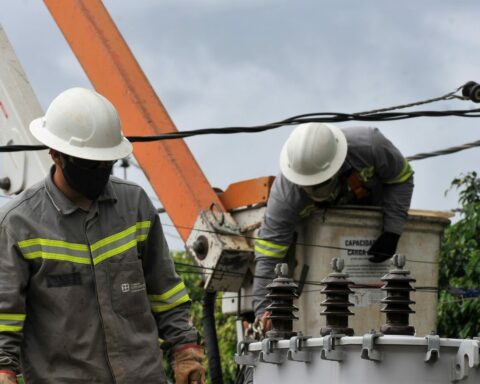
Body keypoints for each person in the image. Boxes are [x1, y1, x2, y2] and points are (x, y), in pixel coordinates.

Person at [0, 88, 205, 383]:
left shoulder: (134, 206)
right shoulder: (18, 225)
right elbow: (4, 318)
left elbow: (166, 293)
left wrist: (185, 350)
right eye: (88, 163)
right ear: (55, 154)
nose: (98, 171)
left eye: (104, 163)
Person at [252, 122, 414, 321]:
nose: (314, 191)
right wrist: (262, 314)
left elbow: (402, 177)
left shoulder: (370, 146)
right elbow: (269, 255)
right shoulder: (286, 195)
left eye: (320, 183)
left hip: (375, 230)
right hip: (321, 267)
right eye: (308, 186)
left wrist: (392, 231)